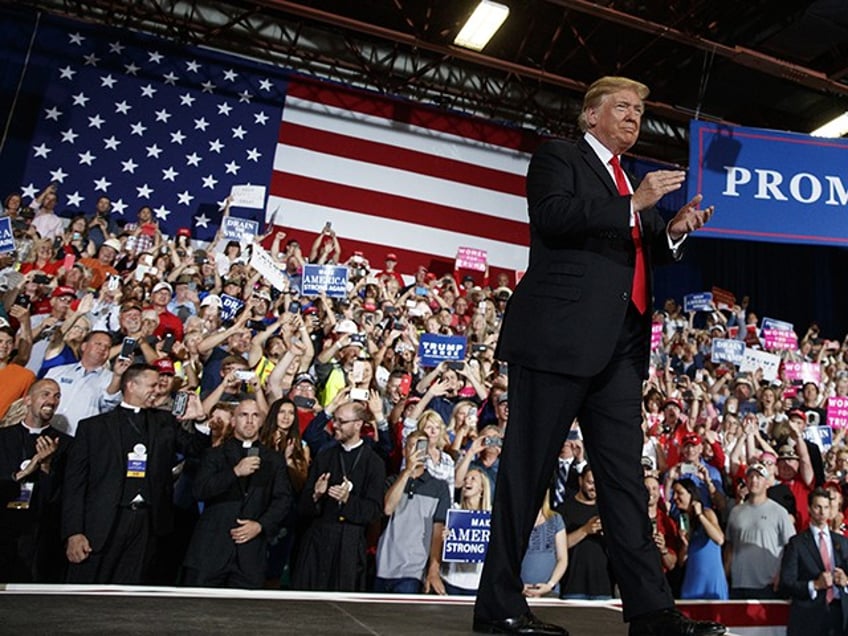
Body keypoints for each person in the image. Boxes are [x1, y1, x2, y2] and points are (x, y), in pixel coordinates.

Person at [473, 75, 721, 636]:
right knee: (526, 472)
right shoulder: (558, 158)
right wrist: (634, 203)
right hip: (557, 339)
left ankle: (651, 612)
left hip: (621, 350)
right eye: (624, 108)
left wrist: (675, 229)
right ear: (592, 115)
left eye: (640, 110)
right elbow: (555, 218)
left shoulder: (627, 181)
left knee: (624, 480)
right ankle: (499, 609)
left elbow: (646, 242)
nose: (635, 118)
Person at [62, 364, 210, 584]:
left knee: (132, 595)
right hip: (102, 524)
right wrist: (73, 532)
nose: (157, 391)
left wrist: (200, 421)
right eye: (152, 385)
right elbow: (74, 485)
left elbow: (196, 449)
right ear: (131, 385)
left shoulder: (165, 422)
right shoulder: (93, 428)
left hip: (148, 524)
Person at [182, 398, 292, 588]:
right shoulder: (214, 455)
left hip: (250, 555)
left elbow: (283, 500)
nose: (249, 421)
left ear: (262, 421)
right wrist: (234, 473)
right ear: (233, 421)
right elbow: (200, 490)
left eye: (255, 415)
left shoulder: (274, 460)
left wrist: (260, 525)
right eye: (243, 415)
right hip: (212, 550)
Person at [292, 399, 385, 591]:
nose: (335, 425)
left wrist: (348, 500)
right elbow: (302, 507)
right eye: (335, 420)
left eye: (341, 422)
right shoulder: (325, 456)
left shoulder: (373, 462)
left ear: (358, 424)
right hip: (318, 539)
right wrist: (316, 495)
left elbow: (374, 511)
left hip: (349, 545)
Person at [0, 379, 71, 582]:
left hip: (41, 534)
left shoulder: (66, 444)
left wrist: (47, 467)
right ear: (28, 400)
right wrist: (23, 474)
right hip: (5, 528)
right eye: (46, 394)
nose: (52, 400)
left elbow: (62, 496)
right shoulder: (3, 438)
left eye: (57, 396)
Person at [374, 430, 450, 594]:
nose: (417, 451)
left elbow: (438, 530)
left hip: (413, 570)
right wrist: (407, 471)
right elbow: (388, 508)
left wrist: (433, 570)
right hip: (384, 565)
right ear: (404, 450)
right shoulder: (392, 481)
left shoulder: (439, 487)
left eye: (422, 446)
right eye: (412, 446)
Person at [780, 488, 848, 636]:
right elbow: (786, 582)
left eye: (826, 507)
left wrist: (846, 580)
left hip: (839, 616)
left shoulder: (842, 542)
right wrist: (815, 585)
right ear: (809, 508)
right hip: (808, 617)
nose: (822, 512)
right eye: (818, 507)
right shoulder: (796, 543)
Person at [725, 463, 796, 599]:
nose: (754, 480)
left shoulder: (779, 512)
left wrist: (781, 575)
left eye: (759, 477)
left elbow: (790, 548)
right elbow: (730, 547)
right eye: (751, 477)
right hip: (739, 584)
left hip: (767, 585)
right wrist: (725, 575)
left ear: (767, 482)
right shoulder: (735, 511)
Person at [670, 478, 728, 600]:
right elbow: (682, 561)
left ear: (691, 494)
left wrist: (700, 515)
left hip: (711, 579)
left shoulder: (707, 513)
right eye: (673, 493)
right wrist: (685, 544)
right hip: (693, 579)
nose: (675, 497)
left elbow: (719, 539)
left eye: (679, 493)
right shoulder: (683, 519)